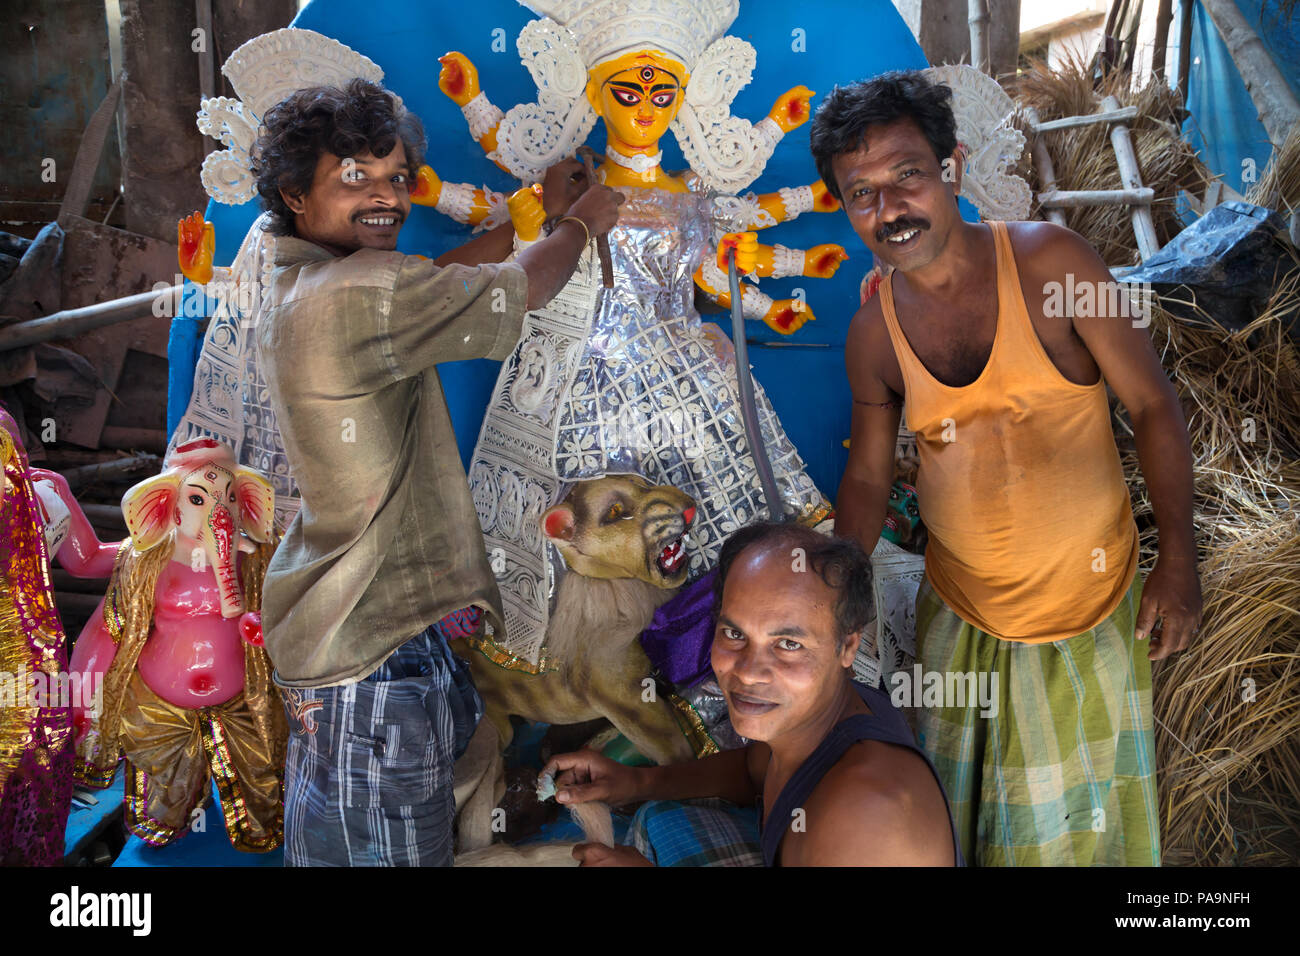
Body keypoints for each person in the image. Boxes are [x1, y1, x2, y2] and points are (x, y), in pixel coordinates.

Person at [813, 71, 1202, 866]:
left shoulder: (1058, 265)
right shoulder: (873, 337)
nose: (889, 209)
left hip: (1091, 609)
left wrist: (1180, 562)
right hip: (962, 621)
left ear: (952, 169)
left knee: (1085, 836)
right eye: (861, 194)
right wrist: (833, 605)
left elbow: (1154, 406)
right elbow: (866, 480)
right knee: (969, 823)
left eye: (907, 176)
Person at [251, 78, 623, 866]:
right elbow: (516, 290)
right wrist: (581, 224)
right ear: (294, 192)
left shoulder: (310, 283)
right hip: (368, 661)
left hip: (354, 641)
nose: (384, 196)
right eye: (355, 177)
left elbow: (430, 283)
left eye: (394, 178)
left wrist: (527, 219)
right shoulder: (356, 293)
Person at [541, 522, 960, 867]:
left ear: (847, 647)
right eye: (734, 633)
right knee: (661, 818)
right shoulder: (806, 723)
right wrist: (636, 782)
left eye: (789, 644)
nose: (748, 672)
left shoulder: (863, 820)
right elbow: (753, 772)